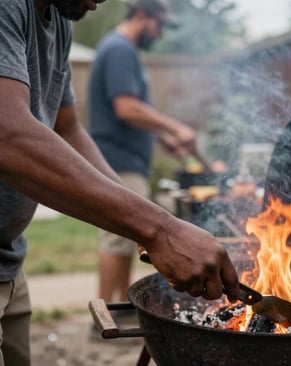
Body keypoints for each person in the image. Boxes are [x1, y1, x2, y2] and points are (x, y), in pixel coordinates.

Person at [0, 0, 239, 364]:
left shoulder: (59, 22)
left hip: (9, 256)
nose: (101, 1)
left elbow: (67, 128)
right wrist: (160, 229)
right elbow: (7, 133)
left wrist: (150, 223)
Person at [88, 0, 196, 311]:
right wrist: (175, 127)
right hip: (117, 162)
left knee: (125, 241)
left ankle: (121, 307)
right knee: (116, 239)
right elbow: (126, 107)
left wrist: (164, 138)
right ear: (141, 16)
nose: (160, 34)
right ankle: (106, 313)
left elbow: (130, 113)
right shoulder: (119, 49)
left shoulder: (123, 50)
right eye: (159, 25)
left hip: (127, 160)